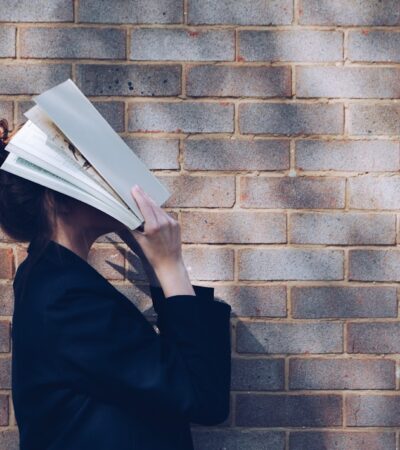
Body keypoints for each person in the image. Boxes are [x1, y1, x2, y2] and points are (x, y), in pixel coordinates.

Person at [0, 119, 232, 450]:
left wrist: (155, 262)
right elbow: (202, 396)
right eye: (94, 171)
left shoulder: (51, 278)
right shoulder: (65, 297)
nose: (113, 182)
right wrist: (170, 266)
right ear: (58, 195)